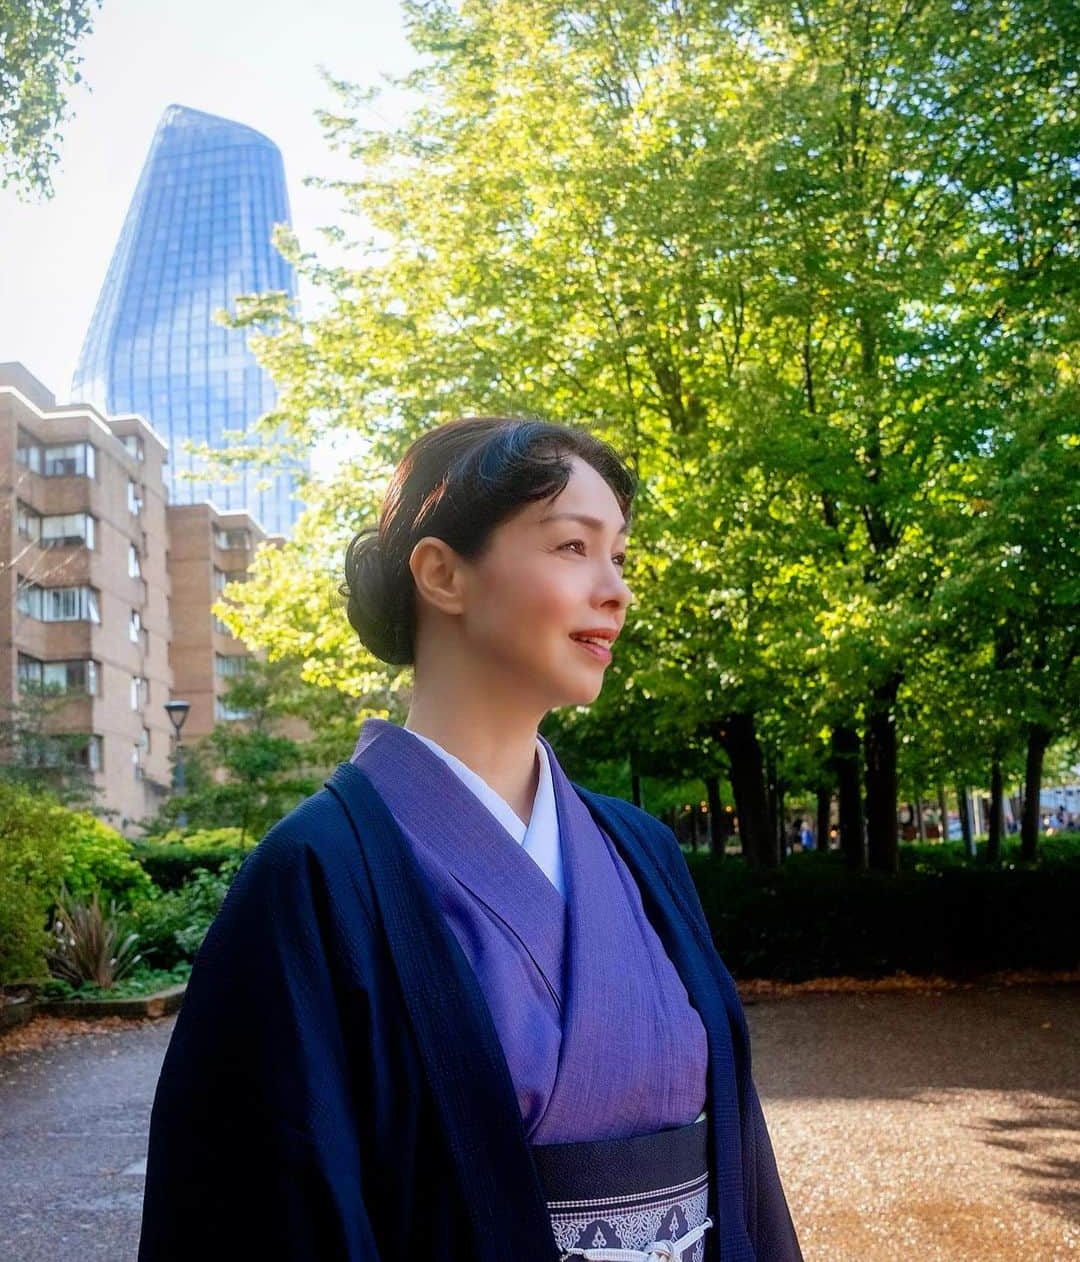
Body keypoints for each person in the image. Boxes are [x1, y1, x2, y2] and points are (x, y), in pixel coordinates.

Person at [137, 417, 802, 1262]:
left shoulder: (641, 849)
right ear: (443, 573)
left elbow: (739, 1171)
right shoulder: (313, 877)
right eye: (573, 547)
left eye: (620, 557)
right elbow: (264, 1207)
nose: (616, 590)